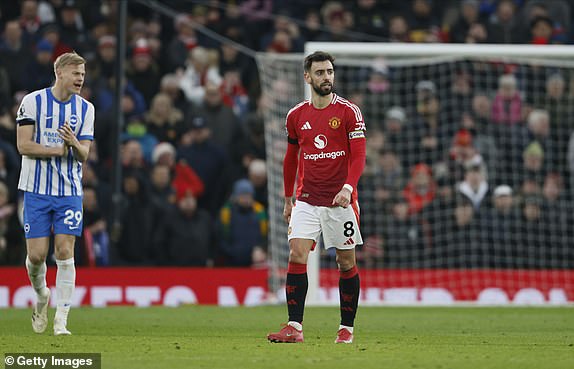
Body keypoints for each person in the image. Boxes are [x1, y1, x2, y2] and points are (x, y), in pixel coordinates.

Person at [267, 51, 366, 344]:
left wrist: (348, 188)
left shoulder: (349, 112)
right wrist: (288, 198)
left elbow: (359, 156)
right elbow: (290, 158)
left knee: (345, 262)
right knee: (297, 254)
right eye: (320, 72)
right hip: (307, 199)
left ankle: (346, 328)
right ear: (308, 77)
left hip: (340, 201)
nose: (327, 77)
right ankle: (294, 327)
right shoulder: (296, 115)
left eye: (330, 72)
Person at [16, 52, 94, 336]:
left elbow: (84, 155)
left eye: (82, 74)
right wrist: (56, 150)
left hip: (69, 192)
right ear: (59, 72)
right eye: (75, 73)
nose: (80, 79)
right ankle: (41, 296)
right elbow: (23, 146)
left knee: (64, 250)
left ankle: (62, 319)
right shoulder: (32, 102)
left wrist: (73, 143)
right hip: (36, 190)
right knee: (36, 257)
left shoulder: (86, 109)